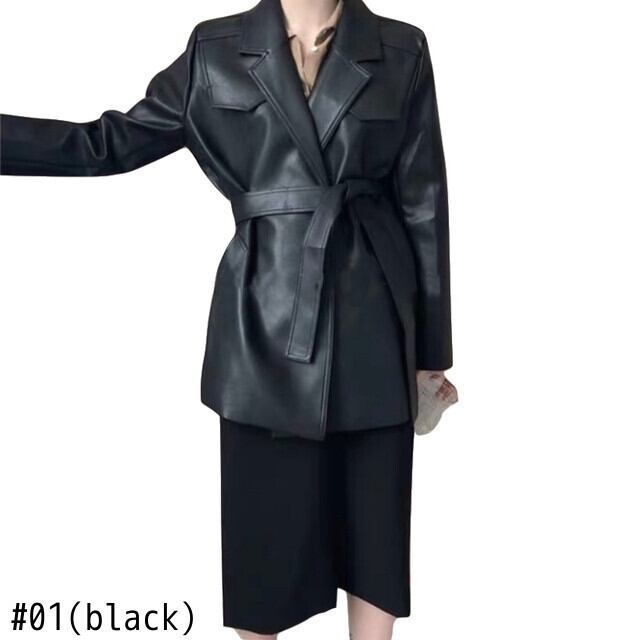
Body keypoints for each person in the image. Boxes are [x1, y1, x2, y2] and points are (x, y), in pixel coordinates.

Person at [0, 0, 458, 637]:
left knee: (375, 530)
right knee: (261, 539)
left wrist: (432, 353)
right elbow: (105, 144)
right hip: (263, 317)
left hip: (375, 312)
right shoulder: (215, 50)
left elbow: (424, 201)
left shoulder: (401, 48)